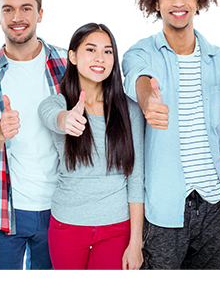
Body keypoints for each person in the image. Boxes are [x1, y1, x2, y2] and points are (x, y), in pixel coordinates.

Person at [122, 0, 220, 269]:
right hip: (163, 211)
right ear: (155, 2)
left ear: (199, 0)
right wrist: (149, 102)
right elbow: (137, 78)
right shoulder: (140, 52)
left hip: (216, 206)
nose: (178, 3)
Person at [0, 0, 68, 270]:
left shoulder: (66, 62)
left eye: (26, 8)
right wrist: (0, 132)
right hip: (5, 206)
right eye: (8, 9)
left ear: (40, 13)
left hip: (59, 206)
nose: (17, 17)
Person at [38, 23, 144, 270]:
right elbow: (49, 114)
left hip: (117, 228)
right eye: (91, 50)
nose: (100, 58)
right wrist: (66, 120)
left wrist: (136, 242)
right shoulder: (58, 103)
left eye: (108, 52)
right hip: (67, 226)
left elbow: (136, 179)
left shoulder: (130, 111)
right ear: (73, 56)